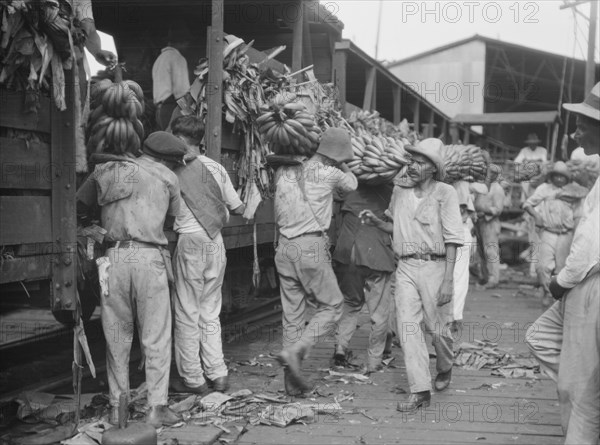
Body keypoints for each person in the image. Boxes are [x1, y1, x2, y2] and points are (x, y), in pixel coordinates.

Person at [76, 131, 186, 427]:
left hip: (113, 259)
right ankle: (157, 409)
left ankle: (117, 409)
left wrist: (100, 233)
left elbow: (78, 208)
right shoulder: (167, 177)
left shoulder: (107, 170)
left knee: (116, 336)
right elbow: (173, 222)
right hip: (149, 258)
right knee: (156, 336)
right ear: (167, 160)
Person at [360, 138, 464, 412]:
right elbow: (394, 226)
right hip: (405, 267)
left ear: (433, 168)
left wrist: (448, 279)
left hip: (436, 266)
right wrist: (376, 222)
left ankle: (445, 364)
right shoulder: (400, 191)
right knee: (408, 329)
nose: (413, 166)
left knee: (438, 330)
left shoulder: (446, 193)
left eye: (420, 162)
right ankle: (420, 389)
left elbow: (453, 238)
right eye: (412, 161)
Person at [526, 82, 600, 444]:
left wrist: (560, 283)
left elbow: (588, 247)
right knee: (541, 337)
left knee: (577, 386)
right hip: (588, 280)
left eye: (585, 123)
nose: (577, 131)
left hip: (590, 283)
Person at [273, 128, 358, 395]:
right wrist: (344, 163)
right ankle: (298, 350)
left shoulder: (284, 173)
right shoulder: (330, 173)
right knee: (332, 305)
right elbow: (352, 184)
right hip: (310, 246)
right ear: (336, 157)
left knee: (292, 317)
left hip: (284, 249)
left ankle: (291, 385)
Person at [168, 115, 245, 395]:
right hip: (216, 243)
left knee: (187, 311)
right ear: (200, 139)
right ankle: (219, 374)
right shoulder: (218, 168)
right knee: (210, 311)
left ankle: (193, 379)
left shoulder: (174, 169)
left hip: (190, 242)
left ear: (178, 137)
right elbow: (237, 208)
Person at [332, 183, 395, 372]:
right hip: (376, 253)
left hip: (346, 250)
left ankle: (340, 348)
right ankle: (375, 359)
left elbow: (335, 215)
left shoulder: (347, 186)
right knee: (379, 311)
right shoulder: (390, 188)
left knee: (350, 302)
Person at [522, 162, 586, 306]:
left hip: (566, 233)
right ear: (552, 177)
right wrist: (537, 217)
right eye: (556, 176)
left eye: (562, 177)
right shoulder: (545, 189)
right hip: (548, 231)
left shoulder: (574, 192)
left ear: (567, 178)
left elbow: (578, 215)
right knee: (543, 266)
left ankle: (559, 298)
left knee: (562, 267)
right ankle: (546, 291)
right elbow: (527, 204)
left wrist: (577, 234)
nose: (558, 179)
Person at [514, 133, 548, 277]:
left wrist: (538, 168)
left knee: (541, 243)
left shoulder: (545, 188)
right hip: (532, 211)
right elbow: (517, 163)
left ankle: (537, 269)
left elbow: (544, 164)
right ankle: (534, 270)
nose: (533, 144)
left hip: (542, 217)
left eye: (535, 142)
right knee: (534, 240)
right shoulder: (524, 151)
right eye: (531, 142)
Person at [152, 24, 191, 130]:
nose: (187, 46)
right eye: (187, 43)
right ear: (181, 42)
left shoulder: (160, 58)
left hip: (159, 110)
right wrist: (188, 113)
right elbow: (181, 92)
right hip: (170, 109)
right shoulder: (177, 58)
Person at [472, 166, 505, 288]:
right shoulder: (482, 187)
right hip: (479, 221)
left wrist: (484, 210)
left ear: (497, 175)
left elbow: (498, 210)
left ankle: (493, 278)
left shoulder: (497, 189)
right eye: (487, 173)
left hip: (490, 222)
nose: (489, 175)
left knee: (490, 251)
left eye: (492, 173)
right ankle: (485, 277)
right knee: (481, 252)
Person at [451, 180, 477, 331]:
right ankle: (453, 315)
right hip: (454, 230)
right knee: (457, 275)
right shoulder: (460, 184)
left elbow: (462, 210)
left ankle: (455, 315)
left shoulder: (459, 185)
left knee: (458, 275)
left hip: (457, 229)